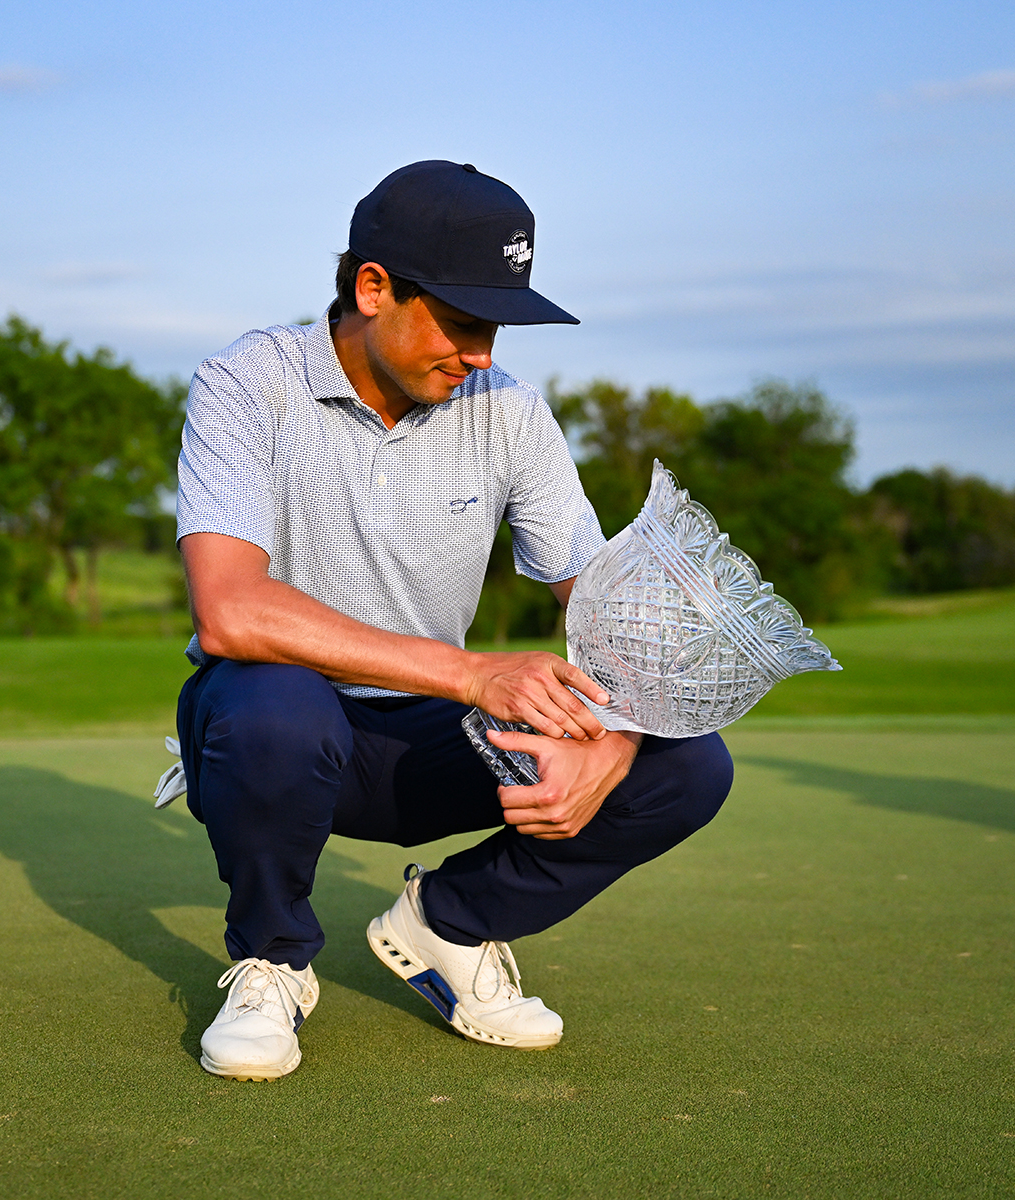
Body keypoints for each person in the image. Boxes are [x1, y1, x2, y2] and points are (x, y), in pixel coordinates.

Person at [172, 160, 734, 1081]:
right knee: (269, 705)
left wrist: (620, 742)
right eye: (463, 321)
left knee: (689, 763)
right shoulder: (248, 382)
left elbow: (603, 602)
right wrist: (476, 673)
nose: (481, 353)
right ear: (373, 288)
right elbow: (231, 609)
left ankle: (453, 924)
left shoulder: (509, 409)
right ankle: (271, 961)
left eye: (494, 328)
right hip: (279, 731)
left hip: (434, 738)